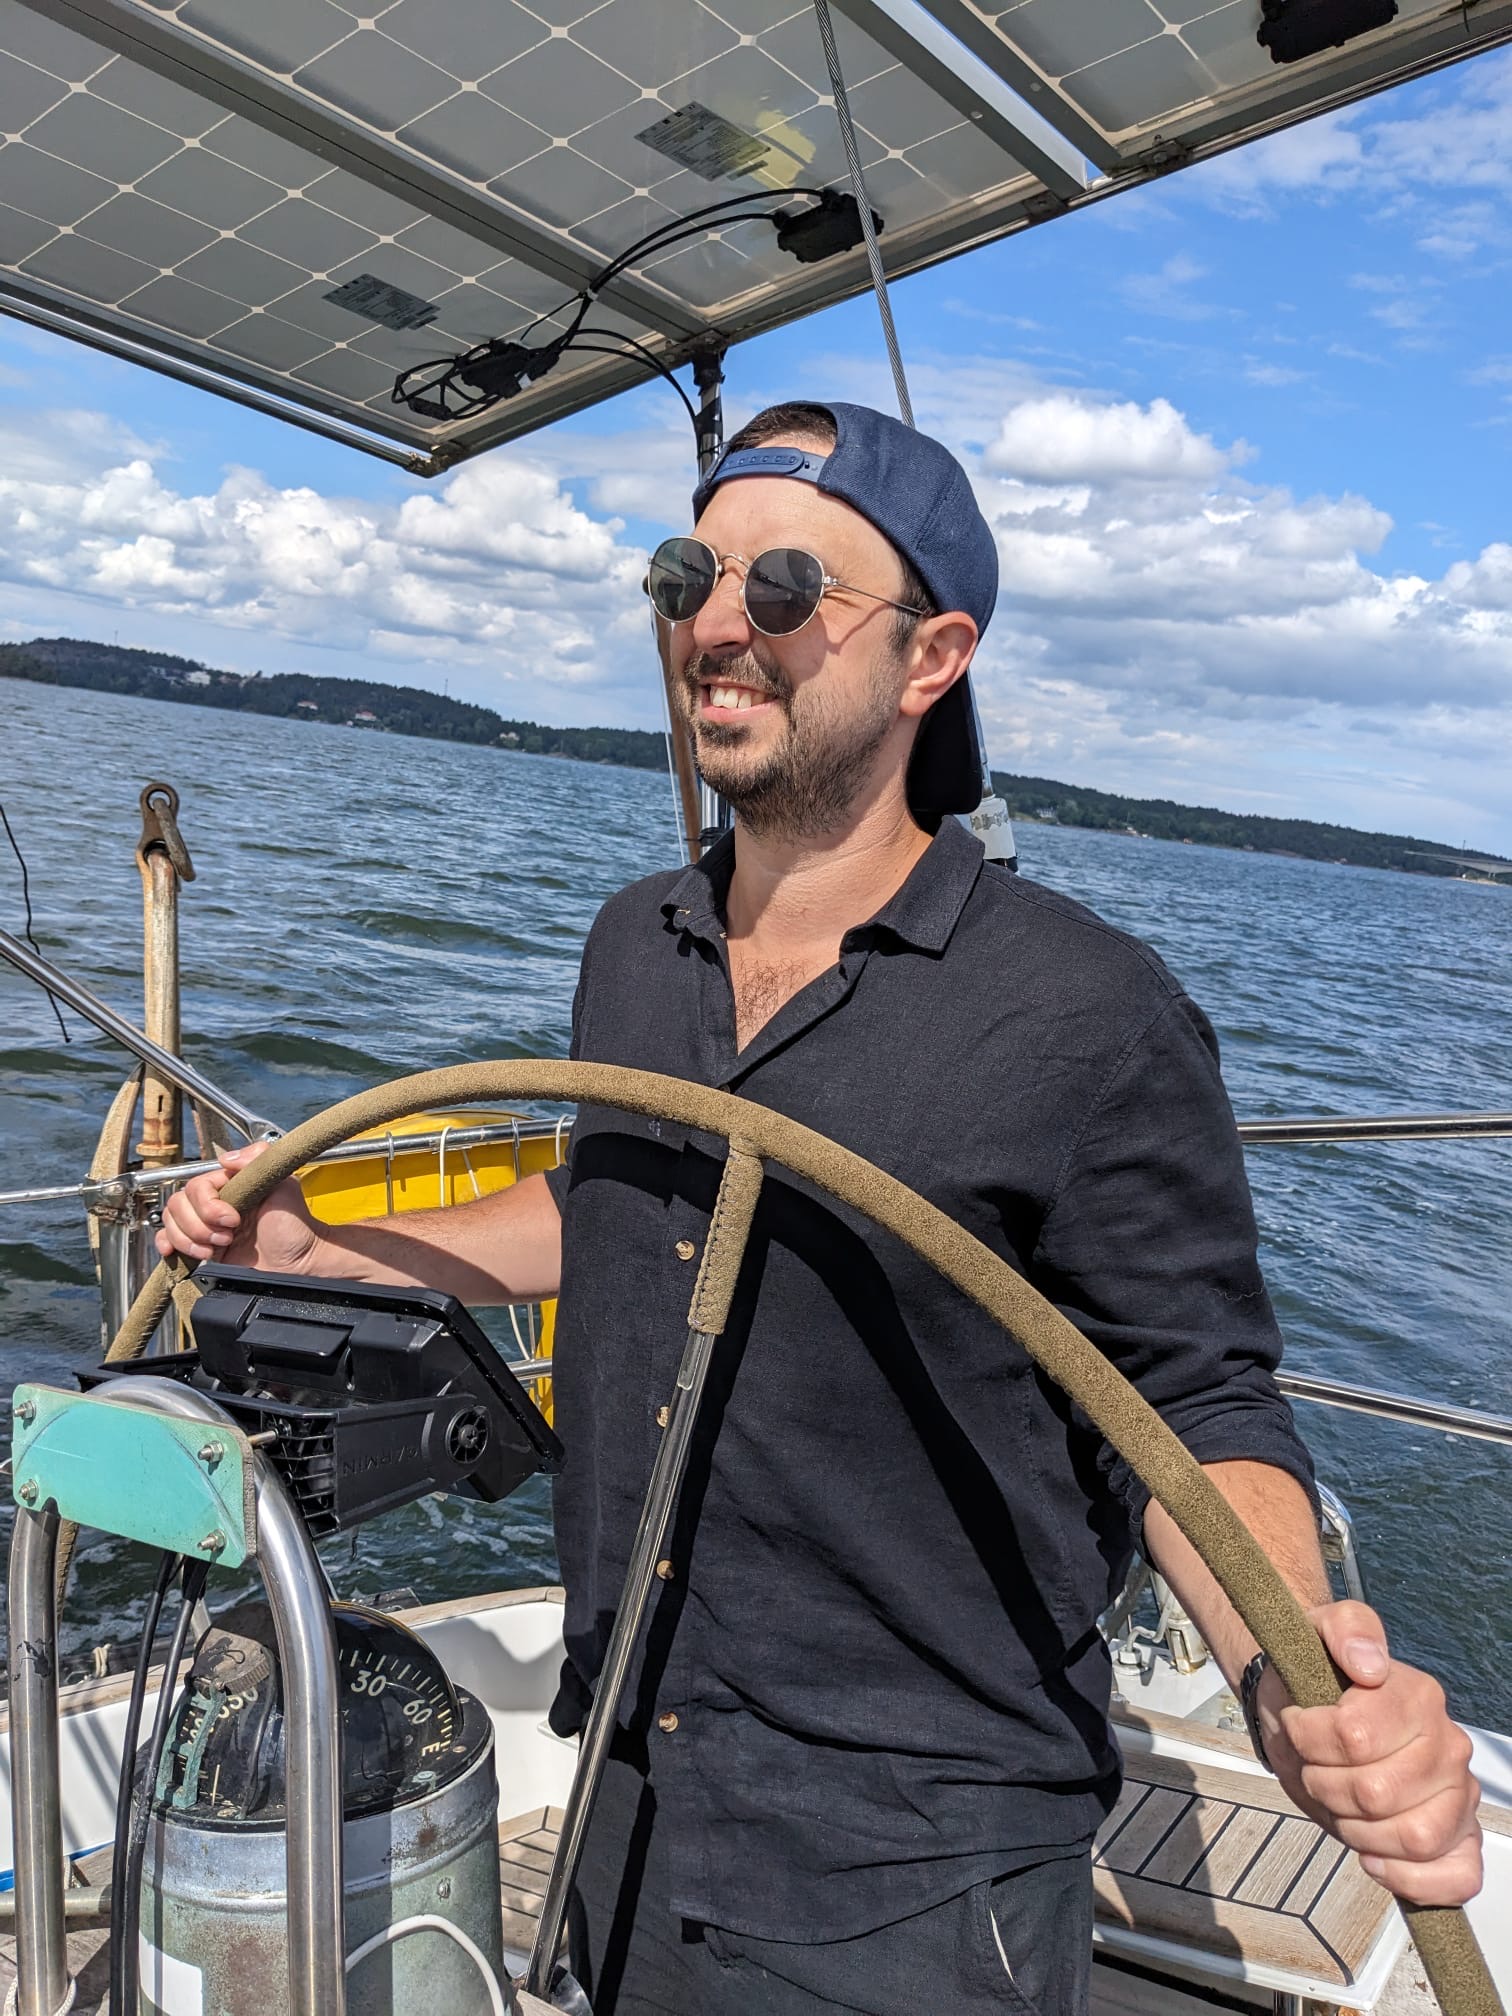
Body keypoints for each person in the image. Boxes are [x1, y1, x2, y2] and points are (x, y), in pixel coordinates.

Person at [159, 402, 1482, 2016]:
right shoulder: (632, 943)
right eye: (687, 577)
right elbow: (608, 1204)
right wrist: (322, 1243)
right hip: (627, 1778)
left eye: (786, 588)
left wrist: (1298, 1677)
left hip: (916, 1871)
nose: (718, 625)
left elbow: (1192, 1404)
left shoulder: (1092, 1016)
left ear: (934, 657)